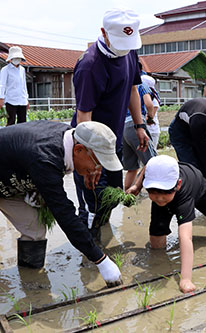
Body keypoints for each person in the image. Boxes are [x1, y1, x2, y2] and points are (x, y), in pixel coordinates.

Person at [0, 121, 124, 298]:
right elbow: (65, 215)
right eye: (97, 162)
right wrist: (101, 260)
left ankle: (30, 286)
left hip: (4, 182)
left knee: (35, 230)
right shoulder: (45, 156)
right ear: (78, 150)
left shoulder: (71, 137)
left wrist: (89, 168)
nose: (97, 169)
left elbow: (48, 168)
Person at [70, 8, 148, 240]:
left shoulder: (129, 52)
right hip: (90, 144)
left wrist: (139, 125)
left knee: (112, 193)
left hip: (113, 139)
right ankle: (89, 237)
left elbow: (133, 89)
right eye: (119, 41)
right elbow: (84, 118)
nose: (124, 47)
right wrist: (91, 163)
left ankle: (101, 228)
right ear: (103, 33)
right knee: (94, 195)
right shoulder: (90, 65)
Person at [130, 155, 206, 293]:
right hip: (174, 188)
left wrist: (186, 279)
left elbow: (185, 237)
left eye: (164, 192)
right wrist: (137, 185)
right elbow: (147, 167)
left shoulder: (184, 197)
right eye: (152, 192)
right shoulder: (157, 173)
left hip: (198, 187)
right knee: (156, 242)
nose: (159, 197)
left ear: (177, 185)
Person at [122, 82, 157, 191]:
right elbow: (149, 104)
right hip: (136, 125)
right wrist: (150, 117)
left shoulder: (124, 83)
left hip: (123, 127)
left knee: (132, 168)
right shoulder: (141, 84)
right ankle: (150, 191)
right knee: (153, 162)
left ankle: (127, 197)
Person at [0, 46, 29, 126]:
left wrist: (26, 99)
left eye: (18, 57)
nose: (17, 59)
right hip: (11, 99)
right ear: (11, 58)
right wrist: (1, 98)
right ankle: (9, 138)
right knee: (11, 121)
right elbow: (3, 85)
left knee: (22, 122)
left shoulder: (22, 70)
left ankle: (21, 137)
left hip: (22, 100)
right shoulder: (5, 69)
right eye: (15, 57)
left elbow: (24, 85)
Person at [140, 66, 161, 149]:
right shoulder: (143, 97)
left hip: (152, 131)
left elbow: (150, 116)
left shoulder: (153, 99)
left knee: (151, 154)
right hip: (144, 130)